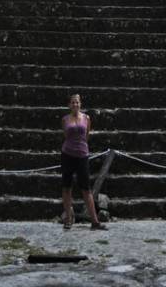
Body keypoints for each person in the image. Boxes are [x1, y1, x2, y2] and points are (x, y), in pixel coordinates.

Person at [61, 93, 106, 230]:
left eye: (77, 102)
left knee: (86, 188)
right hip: (67, 154)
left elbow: (86, 135)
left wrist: (80, 147)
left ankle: (95, 221)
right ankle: (68, 218)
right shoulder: (65, 119)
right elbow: (66, 135)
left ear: (80, 104)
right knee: (66, 187)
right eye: (73, 102)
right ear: (69, 105)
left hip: (82, 155)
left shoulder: (86, 118)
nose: (75, 104)